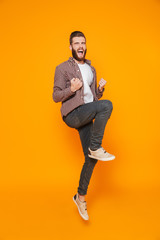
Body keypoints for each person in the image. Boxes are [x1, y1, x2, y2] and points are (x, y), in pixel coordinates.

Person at [52, 31, 115, 221]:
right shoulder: (62, 68)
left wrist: (99, 91)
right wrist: (71, 89)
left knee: (91, 159)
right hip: (73, 114)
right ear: (70, 47)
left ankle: (80, 197)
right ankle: (96, 147)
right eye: (76, 43)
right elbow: (55, 96)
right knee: (107, 105)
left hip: (86, 112)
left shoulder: (91, 69)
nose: (80, 46)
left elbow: (91, 98)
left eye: (83, 43)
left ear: (85, 46)